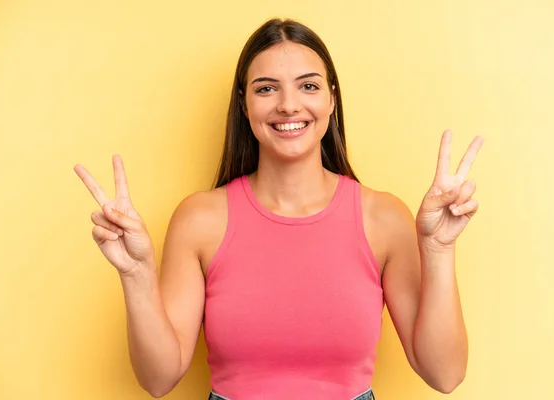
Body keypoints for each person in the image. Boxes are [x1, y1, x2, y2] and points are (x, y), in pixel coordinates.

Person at [74, 18, 483, 400]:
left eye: (308, 86)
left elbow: (444, 374)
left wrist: (439, 249)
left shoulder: (384, 217)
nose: (288, 105)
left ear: (331, 98)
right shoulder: (200, 220)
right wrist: (137, 274)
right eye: (267, 88)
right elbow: (157, 379)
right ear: (244, 103)